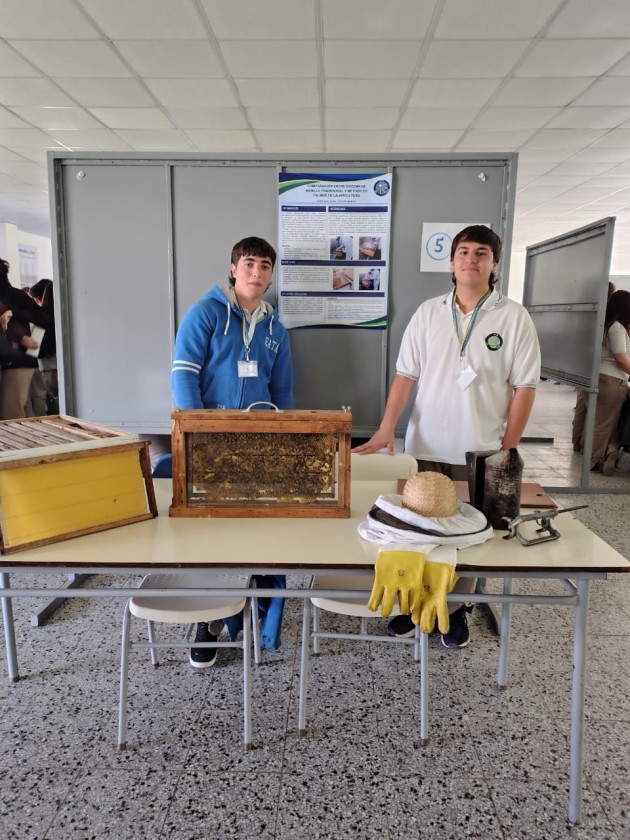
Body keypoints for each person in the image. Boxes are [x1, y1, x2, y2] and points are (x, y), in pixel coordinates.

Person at [353, 225, 541, 649]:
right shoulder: (428, 312)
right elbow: (405, 376)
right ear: (452, 263)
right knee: (416, 529)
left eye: (481, 253)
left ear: (494, 264)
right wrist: (386, 428)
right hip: (425, 446)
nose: (471, 259)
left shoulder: (514, 317)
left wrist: (507, 447)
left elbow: (525, 387)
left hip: (480, 449)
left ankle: (455, 609)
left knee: (468, 535)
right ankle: (411, 603)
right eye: (463, 252)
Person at [171, 236, 293, 669]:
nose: (257, 272)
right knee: (209, 540)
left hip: (258, 450)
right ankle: (207, 621)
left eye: (265, 265)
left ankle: (254, 606)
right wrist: (199, 436)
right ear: (233, 268)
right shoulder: (206, 312)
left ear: (271, 275)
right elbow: (183, 374)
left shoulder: (277, 329)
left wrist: (282, 446)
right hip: (209, 446)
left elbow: (282, 393)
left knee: (258, 536)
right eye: (249, 263)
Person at [572, 290, 630, 475]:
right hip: (611, 380)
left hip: (595, 377)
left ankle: (601, 453)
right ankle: (594, 461)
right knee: (603, 424)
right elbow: (621, 358)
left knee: (598, 421)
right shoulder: (617, 328)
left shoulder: (602, 325)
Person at [0, 259, 53, 419]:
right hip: (17, 359)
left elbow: (45, 318)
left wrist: (14, 312)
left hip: (18, 361)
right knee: (23, 409)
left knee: (11, 413)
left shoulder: (13, 295)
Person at [29, 279, 58, 414]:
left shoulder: (40, 318)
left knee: (54, 410)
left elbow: (33, 349)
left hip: (48, 370)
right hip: (69, 369)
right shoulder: (68, 317)